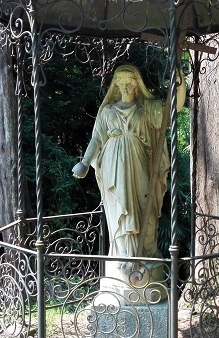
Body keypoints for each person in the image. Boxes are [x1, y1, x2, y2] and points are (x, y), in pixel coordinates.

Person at [72, 65, 186, 273]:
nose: (125, 86)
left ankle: (145, 252)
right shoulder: (107, 112)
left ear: (137, 83)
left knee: (146, 205)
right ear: (115, 85)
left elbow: (174, 108)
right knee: (118, 207)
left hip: (139, 162)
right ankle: (123, 254)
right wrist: (85, 163)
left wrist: (180, 83)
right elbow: (97, 138)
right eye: (121, 82)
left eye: (129, 81)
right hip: (112, 165)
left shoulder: (147, 109)